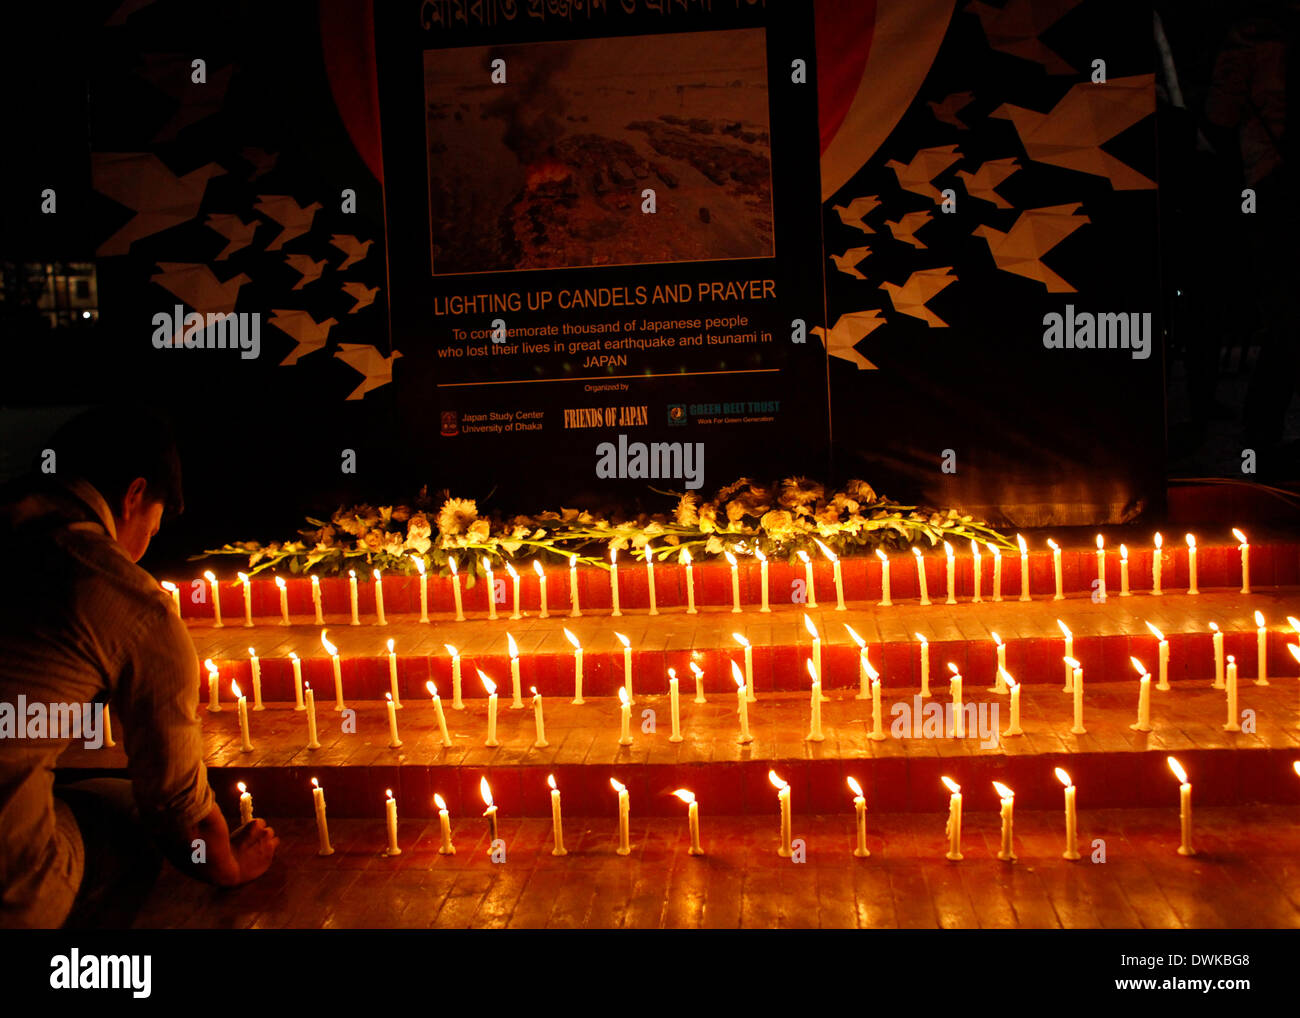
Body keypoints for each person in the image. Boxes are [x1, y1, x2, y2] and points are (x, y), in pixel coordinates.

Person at [0, 406, 278, 928]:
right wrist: (229, 867)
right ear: (132, 496)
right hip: (10, 887)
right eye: (151, 527)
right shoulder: (124, 596)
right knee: (128, 815)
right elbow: (175, 803)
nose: (143, 549)